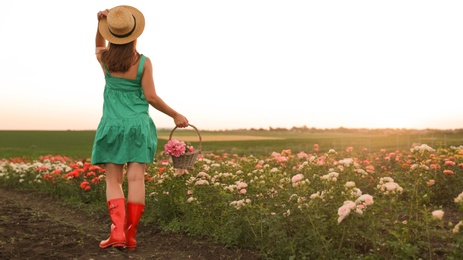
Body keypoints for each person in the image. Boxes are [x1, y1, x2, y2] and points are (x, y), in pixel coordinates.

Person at [92, 5, 189, 250]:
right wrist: (175, 114)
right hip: (138, 126)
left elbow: (98, 46)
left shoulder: (105, 59)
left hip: (112, 126)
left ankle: (117, 234)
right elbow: (152, 97)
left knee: (113, 181)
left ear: (112, 35)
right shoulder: (144, 62)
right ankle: (131, 235)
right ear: (135, 35)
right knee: (136, 180)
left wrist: (99, 24)